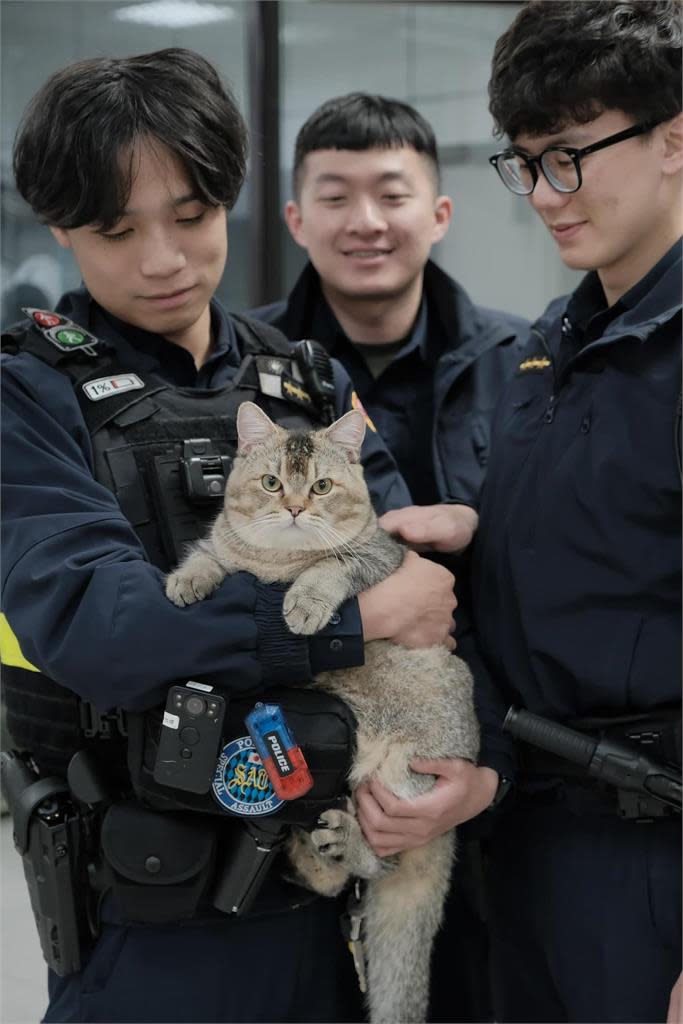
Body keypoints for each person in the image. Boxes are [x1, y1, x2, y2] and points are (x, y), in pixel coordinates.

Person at [0, 49, 460, 1024]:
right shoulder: (31, 391)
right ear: (58, 228)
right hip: (145, 927)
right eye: (116, 230)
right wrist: (346, 620)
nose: (163, 258)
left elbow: (420, 591)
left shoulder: (300, 382)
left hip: (318, 891)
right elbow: (105, 626)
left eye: (193, 216)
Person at [349, 3, 682, 1022]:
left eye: (569, 157)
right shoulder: (552, 343)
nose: (542, 194)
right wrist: (477, 530)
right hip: (528, 836)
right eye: (525, 162)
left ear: (674, 139)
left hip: (655, 854)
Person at [250, 92, 528, 1022]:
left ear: (438, 214)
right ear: (295, 217)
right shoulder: (238, 381)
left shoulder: (523, 368)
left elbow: (541, 586)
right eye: (334, 195)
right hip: (298, 782)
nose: (365, 221)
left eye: (391, 193)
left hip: (487, 782)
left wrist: (483, 763)